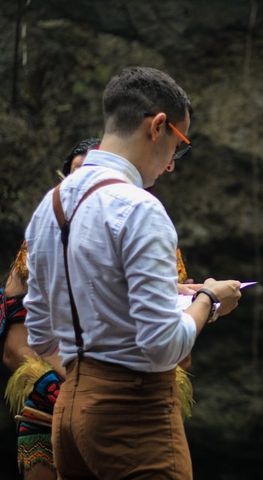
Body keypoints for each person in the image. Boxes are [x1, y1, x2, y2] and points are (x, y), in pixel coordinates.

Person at [23, 66, 242, 479]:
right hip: (133, 416)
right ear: (158, 126)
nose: (173, 165)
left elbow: (40, 332)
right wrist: (208, 300)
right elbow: (163, 346)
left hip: (68, 414)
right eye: (180, 145)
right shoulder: (139, 208)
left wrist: (86, 377)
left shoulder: (49, 206)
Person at [1, 137, 99, 479]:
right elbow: (14, 350)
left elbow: (178, 352)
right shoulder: (36, 249)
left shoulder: (142, 242)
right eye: (76, 176)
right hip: (48, 405)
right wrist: (62, 394)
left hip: (119, 413)